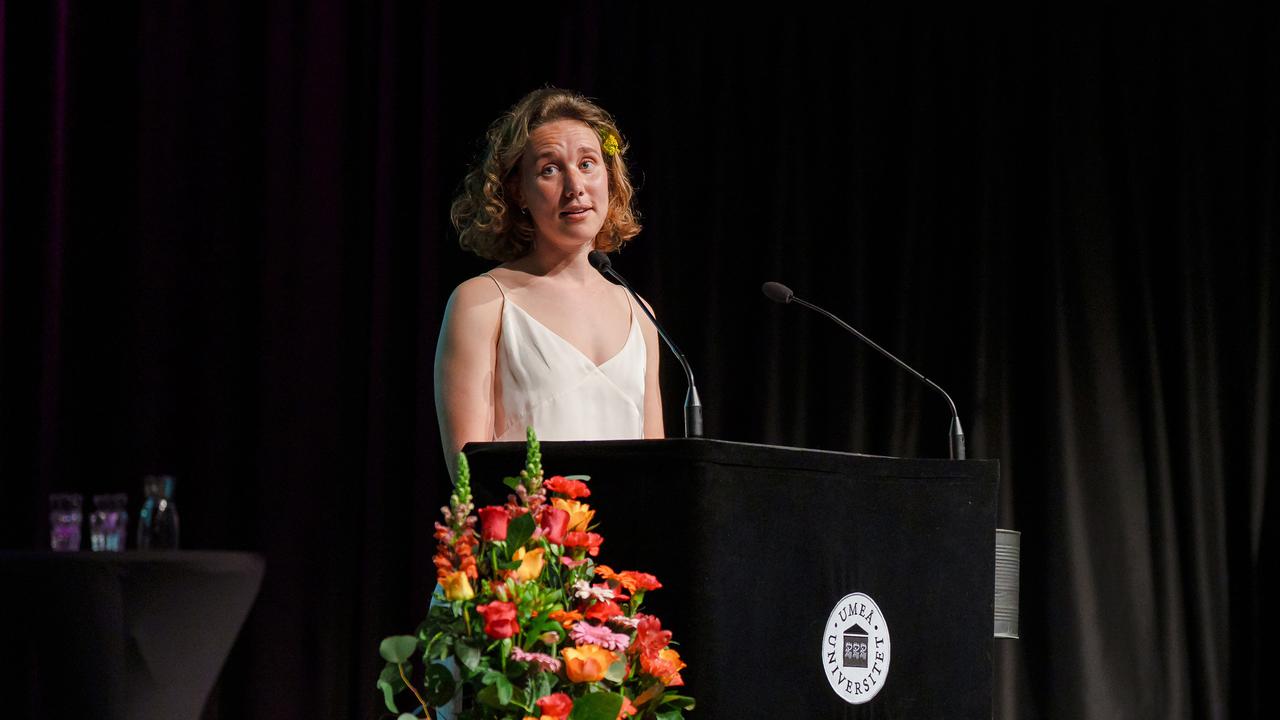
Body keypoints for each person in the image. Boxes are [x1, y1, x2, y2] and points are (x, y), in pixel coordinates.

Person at [435, 88, 663, 478]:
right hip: (529, 519)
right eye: (550, 170)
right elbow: (469, 477)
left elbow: (659, 470)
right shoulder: (482, 302)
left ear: (609, 177)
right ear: (518, 191)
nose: (575, 186)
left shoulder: (639, 312)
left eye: (588, 164)